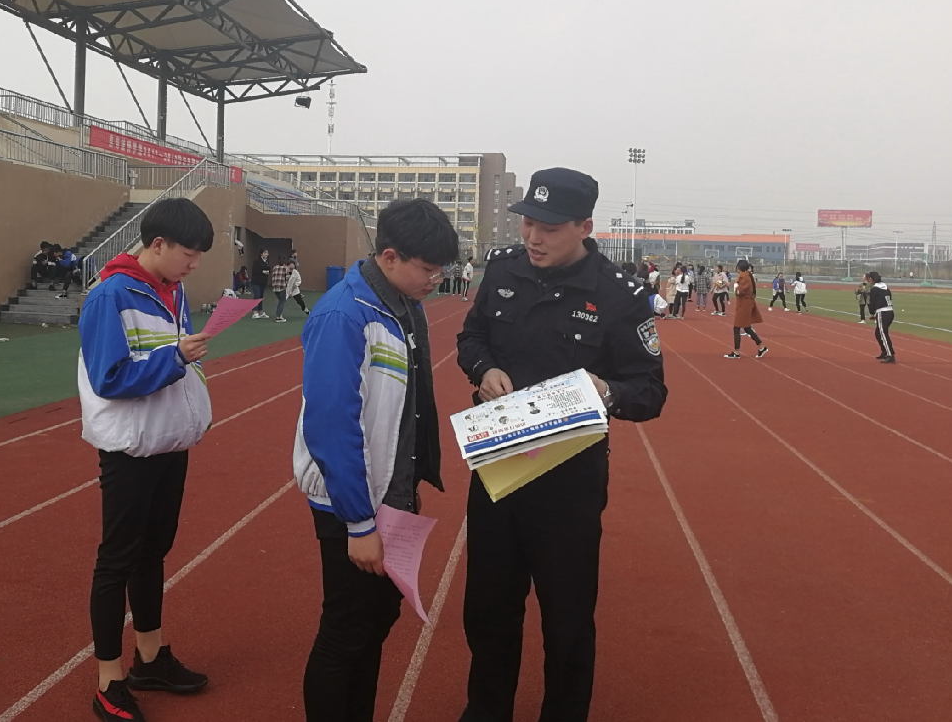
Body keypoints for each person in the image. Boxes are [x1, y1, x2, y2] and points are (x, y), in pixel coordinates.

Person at [456, 167, 667, 722]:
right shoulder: (503, 270)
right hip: (499, 468)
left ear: (584, 227)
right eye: (527, 222)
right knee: (488, 608)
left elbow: (650, 391)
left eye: (548, 228)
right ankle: (486, 710)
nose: (533, 237)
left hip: (568, 484)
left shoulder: (620, 296)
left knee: (567, 619)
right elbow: (471, 336)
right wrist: (483, 368)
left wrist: (608, 391)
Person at [295, 198, 458, 722]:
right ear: (390, 256)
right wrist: (359, 523)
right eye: (428, 269)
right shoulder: (344, 314)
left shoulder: (403, 305)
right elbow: (332, 423)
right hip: (353, 502)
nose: (435, 280)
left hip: (392, 491)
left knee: (375, 622)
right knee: (346, 631)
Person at [78, 198, 214, 722]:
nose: (193, 264)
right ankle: (108, 680)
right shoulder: (109, 295)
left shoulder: (171, 290)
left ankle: (150, 658)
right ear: (158, 244)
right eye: (188, 253)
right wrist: (175, 357)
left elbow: (169, 359)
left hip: (169, 442)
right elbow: (109, 377)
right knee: (117, 560)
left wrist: (183, 359)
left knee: (153, 552)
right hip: (130, 449)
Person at [725, 259, 769, 359]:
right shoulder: (746, 276)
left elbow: (740, 292)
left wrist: (736, 288)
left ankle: (736, 352)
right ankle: (761, 346)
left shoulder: (745, 278)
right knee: (747, 328)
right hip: (744, 304)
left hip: (744, 305)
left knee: (737, 328)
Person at [867, 271, 896, 363]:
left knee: (883, 334)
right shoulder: (886, 288)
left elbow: (872, 303)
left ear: (871, 279)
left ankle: (890, 355)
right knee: (878, 333)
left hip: (882, 312)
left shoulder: (874, 289)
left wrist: (872, 313)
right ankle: (885, 351)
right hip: (889, 311)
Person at [271, 257, 293, 322]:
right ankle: (278, 316)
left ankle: (279, 315)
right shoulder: (285, 268)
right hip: (282, 287)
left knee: (281, 301)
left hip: (275, 287)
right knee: (282, 301)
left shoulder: (275, 267)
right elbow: (288, 277)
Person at [251, 248, 270, 318]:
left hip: (263, 282)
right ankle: (254, 312)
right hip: (256, 282)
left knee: (261, 296)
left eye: (267, 253)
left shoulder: (267, 262)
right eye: (265, 253)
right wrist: (262, 271)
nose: (266, 254)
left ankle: (260, 311)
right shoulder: (256, 261)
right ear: (261, 254)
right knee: (257, 295)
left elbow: (269, 269)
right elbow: (254, 270)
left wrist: (268, 272)